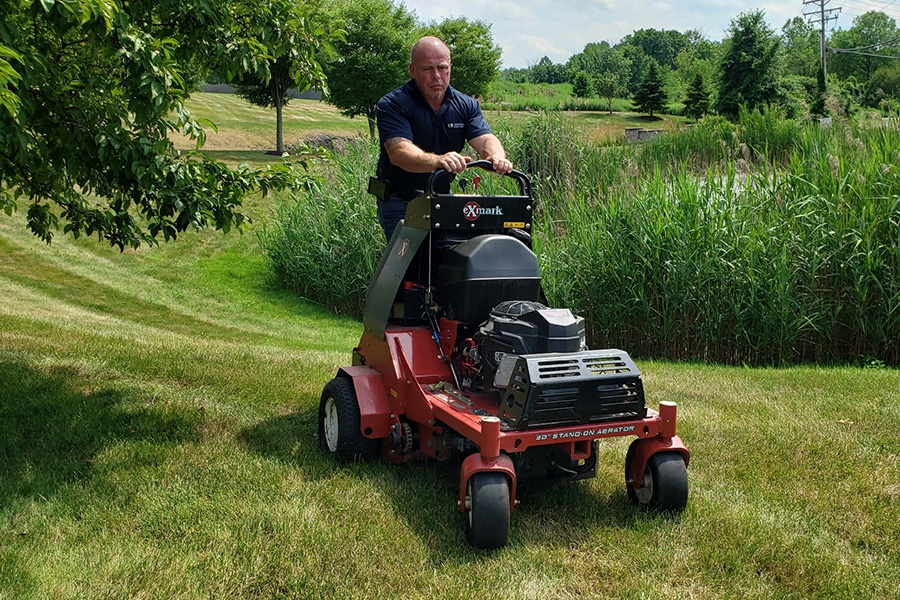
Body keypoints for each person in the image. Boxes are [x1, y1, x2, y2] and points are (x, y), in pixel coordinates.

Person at [372, 36, 513, 240]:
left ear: (450, 68)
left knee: (452, 260)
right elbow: (399, 152)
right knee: (409, 268)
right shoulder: (393, 104)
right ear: (412, 70)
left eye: (442, 67)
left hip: (441, 197)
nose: (436, 76)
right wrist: (438, 161)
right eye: (428, 69)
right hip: (400, 198)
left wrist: (496, 157)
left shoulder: (465, 105)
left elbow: (485, 139)